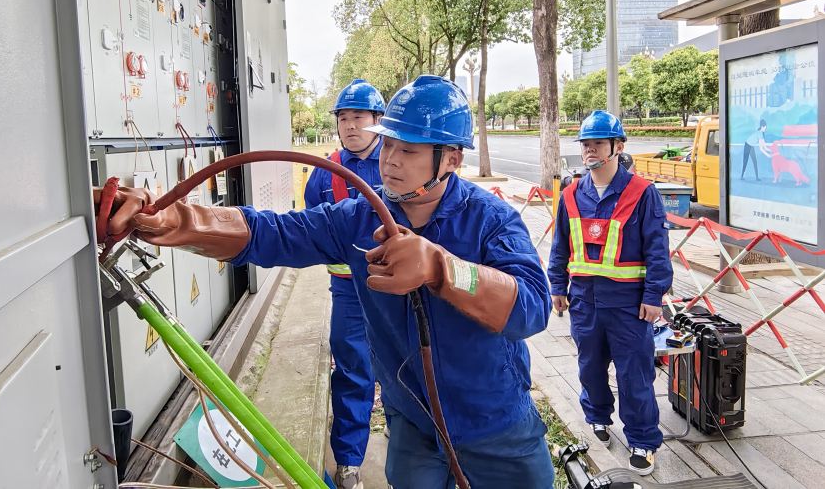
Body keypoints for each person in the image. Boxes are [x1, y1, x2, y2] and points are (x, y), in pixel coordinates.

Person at [98, 75, 555, 488]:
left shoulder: (491, 219)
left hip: (496, 425)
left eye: (409, 150)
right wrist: (169, 217)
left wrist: (442, 268)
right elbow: (270, 232)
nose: (391, 160)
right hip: (415, 426)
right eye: (389, 145)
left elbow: (532, 308)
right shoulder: (361, 218)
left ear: (451, 158)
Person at [547, 110, 673, 476]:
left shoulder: (642, 193)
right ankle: (597, 417)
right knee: (590, 367)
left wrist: (654, 297)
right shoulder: (571, 195)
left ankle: (643, 440)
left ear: (618, 147)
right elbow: (560, 246)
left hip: (629, 304)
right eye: (586, 144)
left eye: (598, 143)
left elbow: (657, 249)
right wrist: (557, 286)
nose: (590, 150)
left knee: (634, 374)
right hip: (584, 300)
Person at [304, 79, 385, 489]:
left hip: (396, 291)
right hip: (349, 293)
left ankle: (407, 450)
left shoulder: (398, 163)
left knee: (403, 367)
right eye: (343, 118)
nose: (350, 126)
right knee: (353, 371)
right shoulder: (322, 175)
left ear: (378, 121)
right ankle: (350, 461)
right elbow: (309, 231)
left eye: (359, 117)